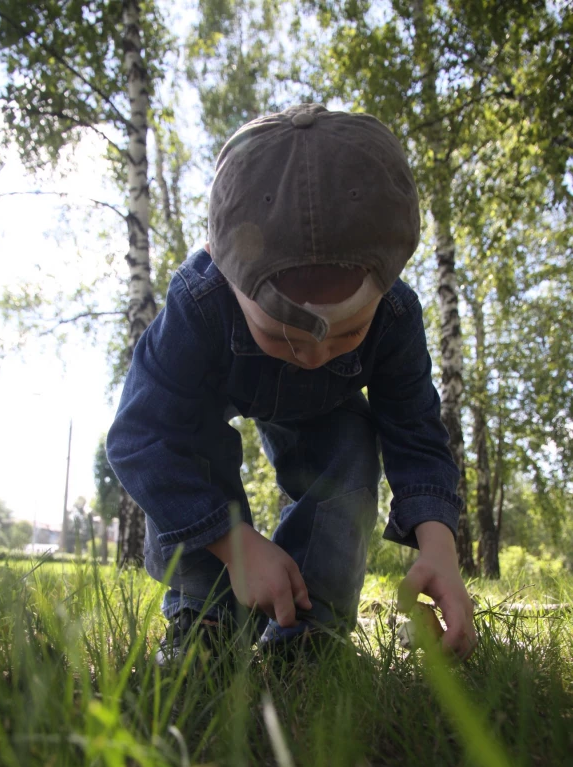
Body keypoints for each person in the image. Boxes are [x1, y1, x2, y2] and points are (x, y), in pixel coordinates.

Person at [106, 103, 477, 664]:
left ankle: (309, 630)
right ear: (226, 275)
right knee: (184, 443)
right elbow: (140, 437)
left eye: (348, 332)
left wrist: (439, 547)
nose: (314, 354)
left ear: (389, 283)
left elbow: (415, 434)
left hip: (327, 412)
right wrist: (234, 545)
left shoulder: (397, 317)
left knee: (348, 446)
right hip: (212, 400)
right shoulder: (199, 300)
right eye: (283, 335)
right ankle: (204, 616)